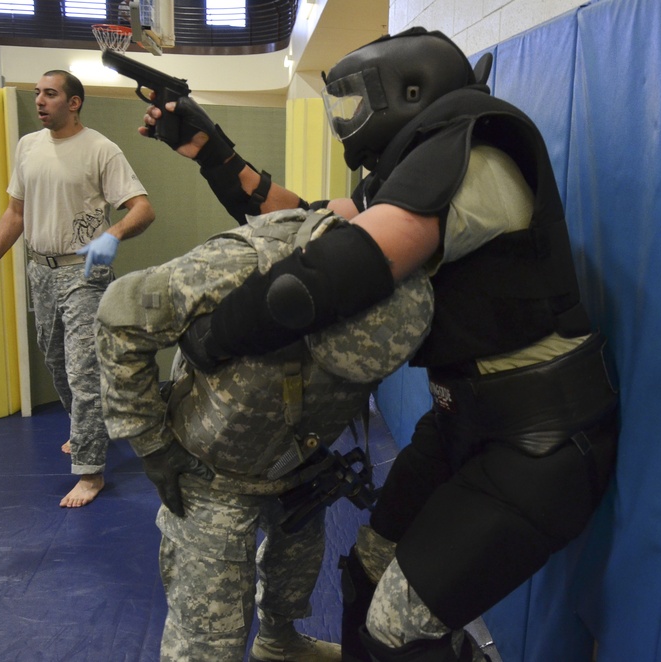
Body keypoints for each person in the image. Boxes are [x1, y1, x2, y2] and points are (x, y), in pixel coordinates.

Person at [141, 27, 619, 662]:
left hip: (539, 442)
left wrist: (213, 338)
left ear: (409, 90)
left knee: (399, 630)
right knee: (366, 571)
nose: (346, 123)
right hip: (464, 422)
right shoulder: (418, 168)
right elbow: (306, 222)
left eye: (352, 103)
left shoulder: (475, 154)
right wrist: (216, 155)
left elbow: (334, 270)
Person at [94, 206, 433, 662]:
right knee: (209, 635)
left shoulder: (410, 273)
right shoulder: (242, 269)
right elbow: (120, 315)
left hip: (298, 463)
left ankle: (278, 643)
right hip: (211, 471)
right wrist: (151, 444)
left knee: (294, 571)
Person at [0, 69, 156, 508]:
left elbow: (142, 209)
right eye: (37, 93)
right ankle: (86, 430)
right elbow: (16, 212)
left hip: (82, 273)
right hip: (41, 271)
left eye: (50, 94)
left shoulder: (101, 150)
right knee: (56, 362)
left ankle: (91, 473)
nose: (39, 101)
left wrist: (114, 235)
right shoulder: (28, 146)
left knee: (83, 371)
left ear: (74, 103)